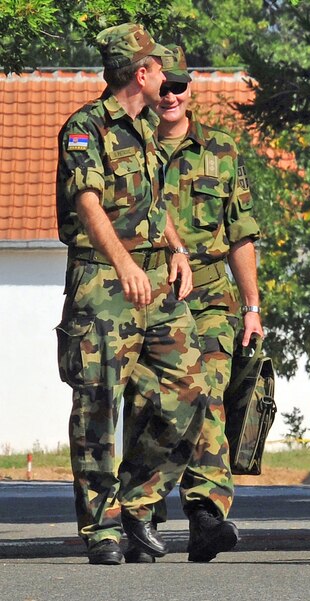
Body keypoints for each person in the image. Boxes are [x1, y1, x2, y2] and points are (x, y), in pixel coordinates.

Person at [55, 23, 209, 565]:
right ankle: (100, 528)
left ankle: (138, 502)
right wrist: (122, 264)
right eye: (158, 69)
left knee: (191, 390)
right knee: (97, 404)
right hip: (103, 280)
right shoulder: (86, 128)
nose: (167, 79)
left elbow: (156, 201)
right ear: (141, 74)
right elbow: (88, 203)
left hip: (155, 281)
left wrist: (177, 250)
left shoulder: (146, 129)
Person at [121, 46, 264, 564]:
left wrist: (251, 305)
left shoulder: (220, 150)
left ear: (191, 90)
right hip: (144, 293)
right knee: (148, 405)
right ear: (147, 84)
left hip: (208, 298)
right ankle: (143, 514)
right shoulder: (128, 146)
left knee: (206, 394)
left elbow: (241, 234)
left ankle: (206, 513)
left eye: (181, 85)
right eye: (164, 85)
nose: (172, 95)